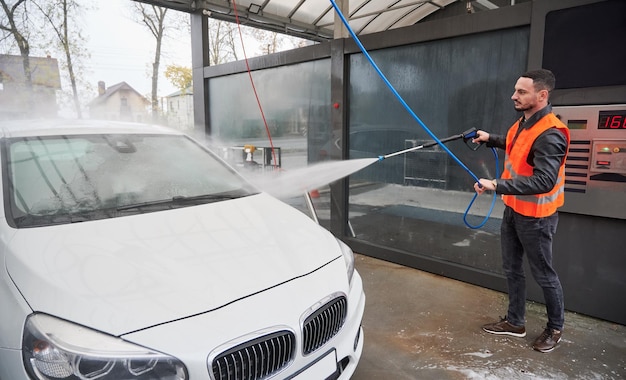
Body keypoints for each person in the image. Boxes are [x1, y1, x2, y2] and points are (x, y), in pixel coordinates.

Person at [472, 69, 570, 353]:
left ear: (542, 95)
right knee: (512, 269)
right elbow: (516, 145)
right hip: (514, 210)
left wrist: (496, 184)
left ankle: (555, 328)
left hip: (537, 218)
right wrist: (491, 138)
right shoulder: (523, 124)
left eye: (521, 92)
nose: (513, 96)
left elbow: (544, 180)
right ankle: (515, 323)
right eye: (515, 90)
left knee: (544, 275)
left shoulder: (551, 133)